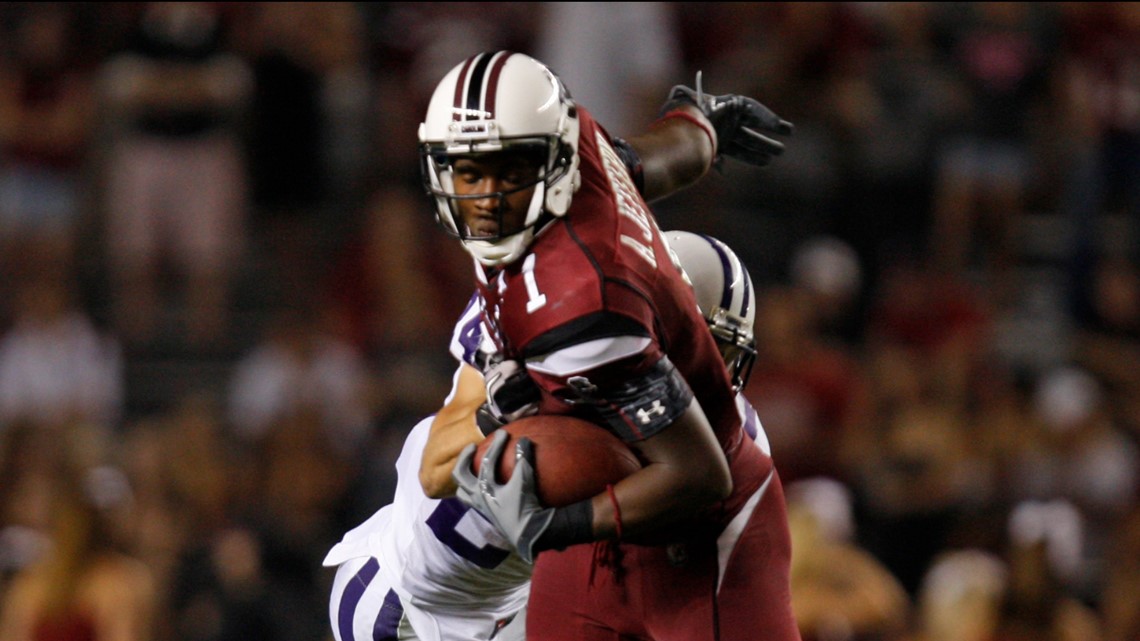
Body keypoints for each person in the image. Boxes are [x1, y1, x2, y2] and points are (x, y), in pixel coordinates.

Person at [420, 51, 798, 640]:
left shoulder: (585, 307)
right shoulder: (573, 152)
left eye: (510, 170)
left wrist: (562, 524)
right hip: (595, 521)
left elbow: (702, 475)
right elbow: (649, 160)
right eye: (469, 171)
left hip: (696, 536)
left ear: (552, 159)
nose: (488, 200)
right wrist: (697, 121)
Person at [326, 227, 776, 641]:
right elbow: (436, 469)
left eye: (721, 354)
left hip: (518, 610)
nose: (706, 375)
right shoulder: (551, 341)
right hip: (411, 609)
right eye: (690, 350)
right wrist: (498, 411)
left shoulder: (730, 441)